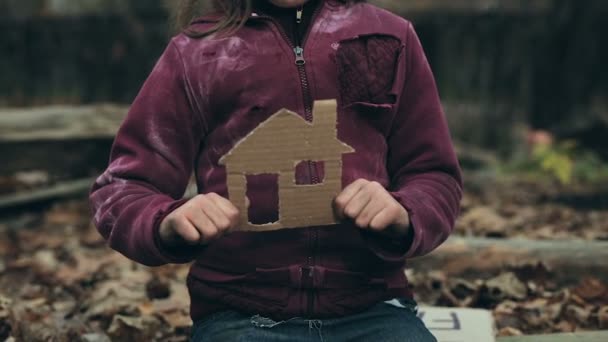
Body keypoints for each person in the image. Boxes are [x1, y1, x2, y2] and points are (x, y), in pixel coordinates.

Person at [89, 0, 462, 340]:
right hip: (241, 314)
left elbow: (433, 174)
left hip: (374, 307)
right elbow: (123, 187)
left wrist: (403, 213)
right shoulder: (196, 54)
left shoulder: (390, 37)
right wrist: (166, 222)